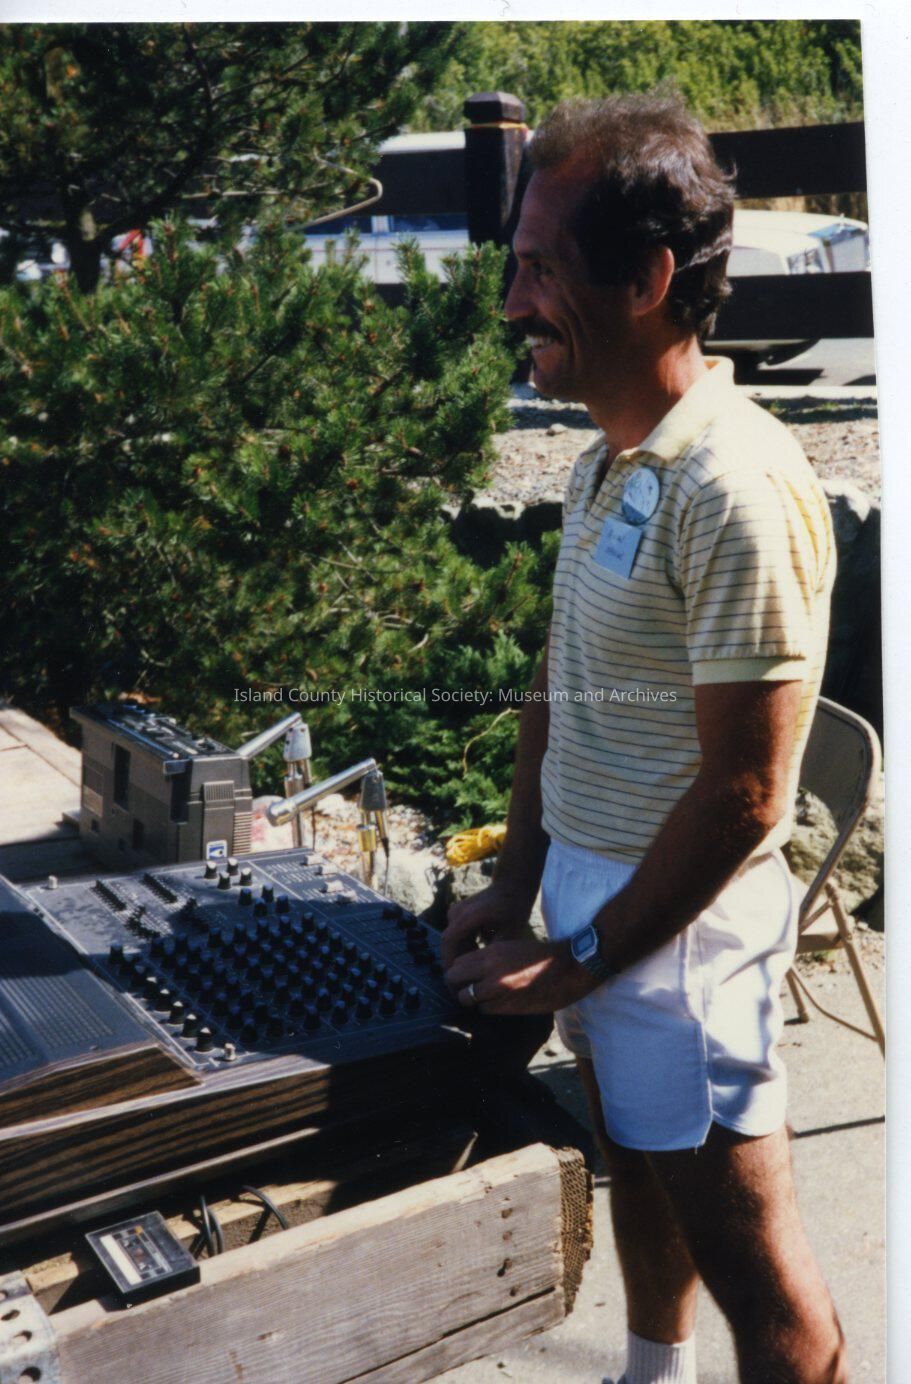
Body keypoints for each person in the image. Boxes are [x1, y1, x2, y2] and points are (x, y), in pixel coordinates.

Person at [441, 92, 845, 1384]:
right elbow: (562, 683)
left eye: (540, 269)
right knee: (642, 1166)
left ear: (649, 279)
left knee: (756, 1269)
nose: (513, 303)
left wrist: (577, 961)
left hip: (684, 941)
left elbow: (746, 794)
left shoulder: (736, 486)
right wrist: (520, 881)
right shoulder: (610, 458)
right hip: (598, 912)